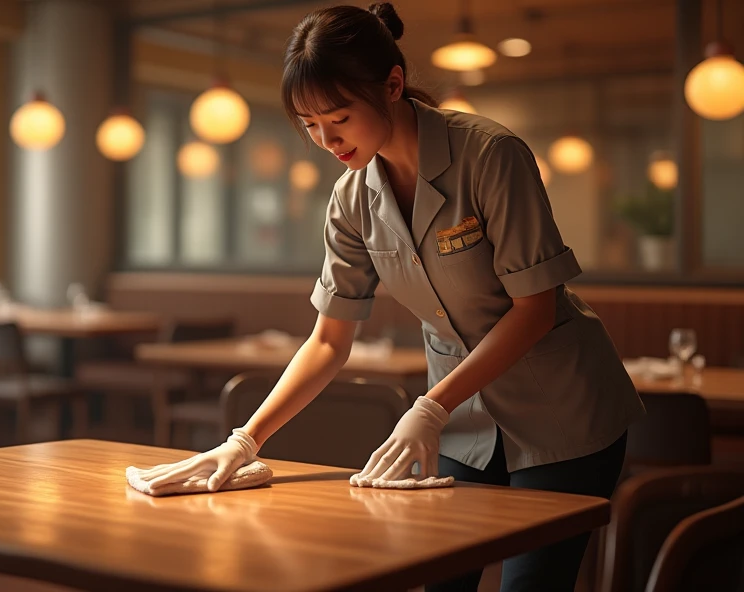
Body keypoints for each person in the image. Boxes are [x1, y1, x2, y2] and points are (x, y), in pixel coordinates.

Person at [135, 4, 645, 591]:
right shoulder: (351, 199)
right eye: (309, 124)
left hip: (562, 412)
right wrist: (243, 440)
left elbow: (534, 311)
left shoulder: (490, 155)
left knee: (530, 585)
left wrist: (429, 407)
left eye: (340, 118)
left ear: (394, 85)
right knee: (439, 577)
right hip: (464, 421)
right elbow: (329, 340)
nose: (327, 140)